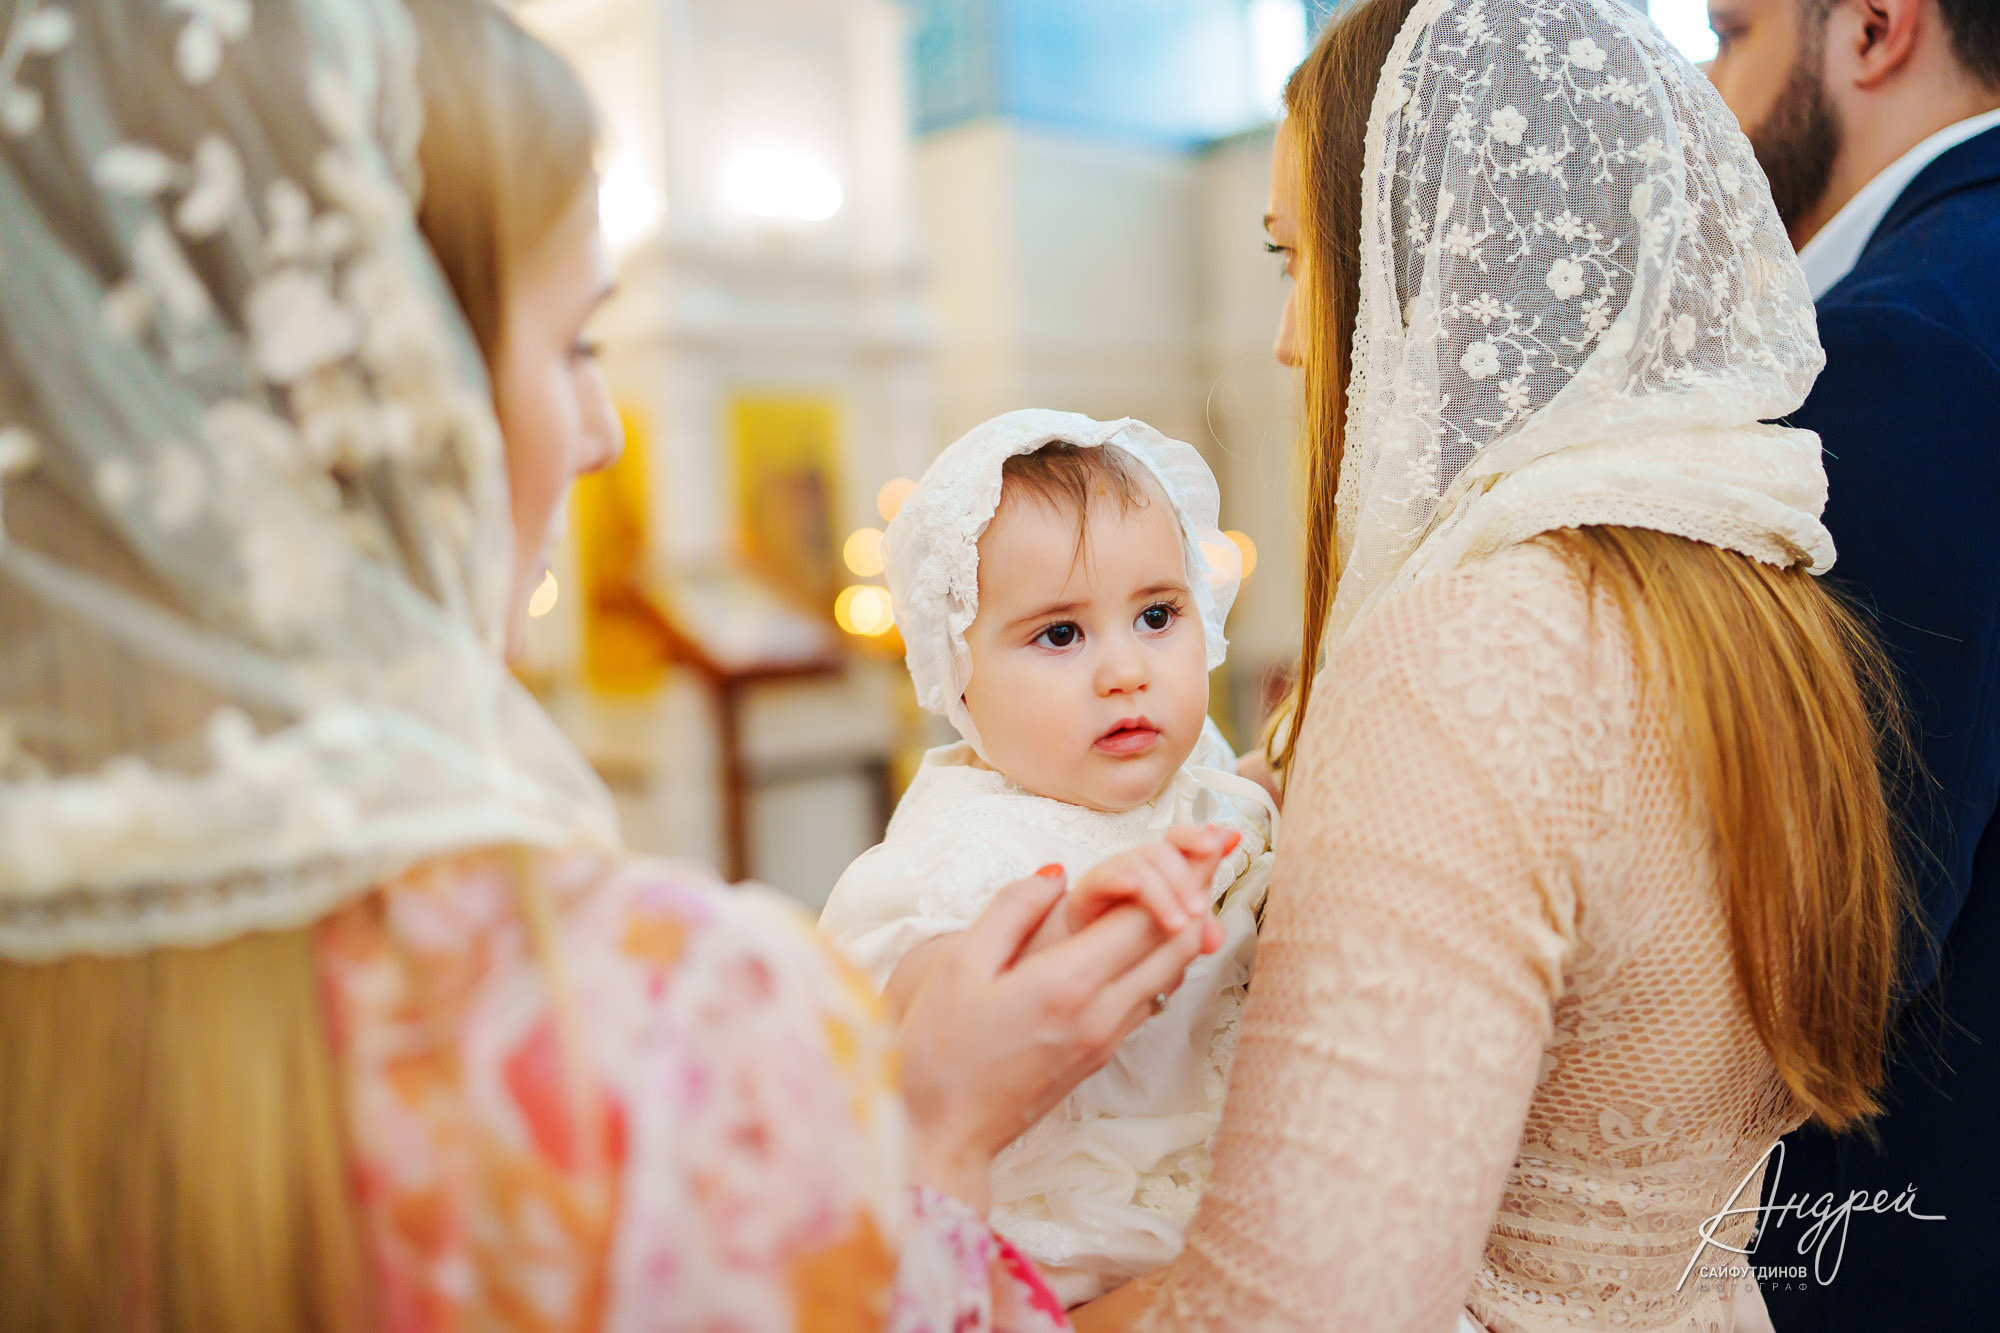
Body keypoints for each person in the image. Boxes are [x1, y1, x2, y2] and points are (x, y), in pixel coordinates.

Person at [0, 1, 1215, 1327]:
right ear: (382, 394)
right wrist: (935, 1139)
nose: (598, 436)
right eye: (576, 343)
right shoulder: (662, 1032)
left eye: (1159, 615)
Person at [1069, 0, 1911, 1327]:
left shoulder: (1480, 643)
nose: (1290, 340)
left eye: (1303, 262)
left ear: (1445, 273)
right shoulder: (1753, 590)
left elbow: (1301, 1310)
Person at [819, 410, 1277, 1307]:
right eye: (1060, 635)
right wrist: (1064, 926)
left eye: (1157, 615)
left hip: (1221, 1202)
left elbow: (1237, 814)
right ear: (959, 675)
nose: (1125, 671)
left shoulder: (1197, 776)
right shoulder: (971, 834)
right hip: (1058, 1245)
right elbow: (912, 989)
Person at [1707, 0, 2000, 1323]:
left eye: (1732, 31)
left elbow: (1834, 936)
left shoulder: (1894, 353)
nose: (1708, 88)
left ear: (1873, 28)